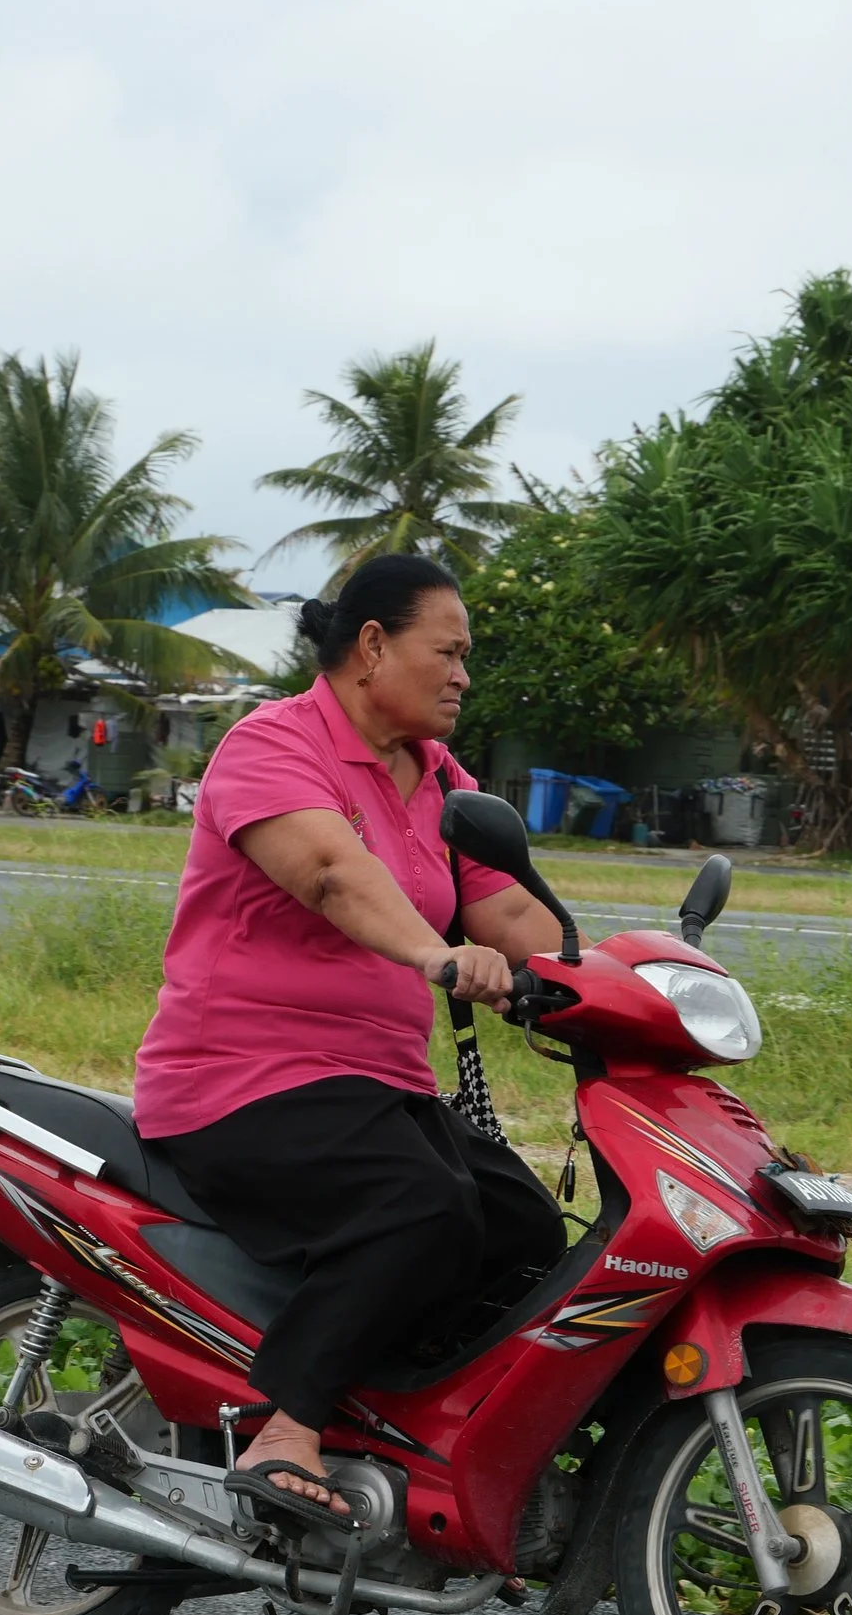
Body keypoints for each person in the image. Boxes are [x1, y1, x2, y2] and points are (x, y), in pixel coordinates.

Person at [131, 555, 569, 1522]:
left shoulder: (443, 781)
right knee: (422, 1209)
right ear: (373, 647)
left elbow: (509, 911)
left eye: (468, 656)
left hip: (373, 1082)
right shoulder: (272, 746)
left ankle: (387, 1422)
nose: (463, 674)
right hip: (240, 1078)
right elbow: (331, 870)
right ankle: (285, 1424)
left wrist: (619, 984)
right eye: (446, 651)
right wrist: (438, 955)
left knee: (530, 1234)